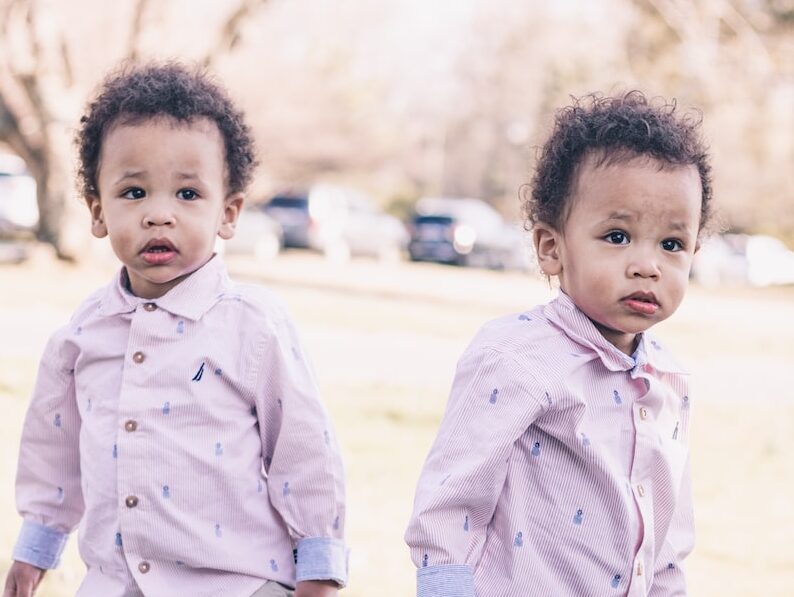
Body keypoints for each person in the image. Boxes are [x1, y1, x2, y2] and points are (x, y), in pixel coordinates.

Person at [3, 62, 347, 597]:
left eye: (187, 195)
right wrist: (36, 548)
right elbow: (54, 453)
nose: (159, 215)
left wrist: (319, 571)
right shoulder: (80, 338)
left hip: (237, 583)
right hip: (115, 585)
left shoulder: (252, 327)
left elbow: (304, 454)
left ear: (227, 213)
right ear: (97, 212)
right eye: (134, 193)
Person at [405, 91, 712, 596]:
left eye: (672, 244)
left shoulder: (669, 381)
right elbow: (451, 501)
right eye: (617, 236)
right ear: (552, 248)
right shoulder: (517, 357)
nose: (647, 264)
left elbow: (669, 539)